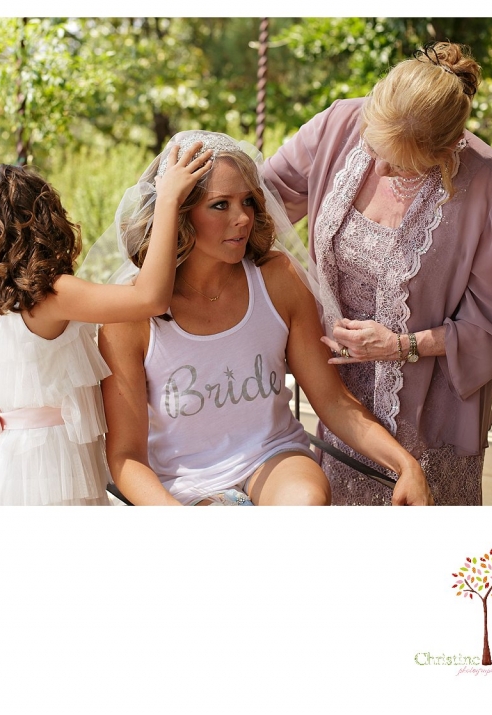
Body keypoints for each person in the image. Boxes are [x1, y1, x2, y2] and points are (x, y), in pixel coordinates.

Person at [86, 130, 434, 506]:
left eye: (248, 201)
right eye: (220, 205)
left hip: (274, 456)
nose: (243, 218)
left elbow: (332, 401)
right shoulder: (129, 318)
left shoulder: (277, 280)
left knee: (305, 502)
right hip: (183, 484)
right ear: (179, 213)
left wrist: (405, 464)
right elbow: (126, 457)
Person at [262, 41, 492, 505]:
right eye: (373, 146)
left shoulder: (488, 187)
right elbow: (259, 200)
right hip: (338, 396)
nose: (380, 168)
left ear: (446, 151)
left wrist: (400, 346)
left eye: (402, 165)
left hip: (429, 413)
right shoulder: (340, 124)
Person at [0, 149, 213, 505]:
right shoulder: (53, 294)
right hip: (47, 469)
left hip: (3, 469)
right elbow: (151, 299)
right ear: (45, 219)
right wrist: (168, 201)